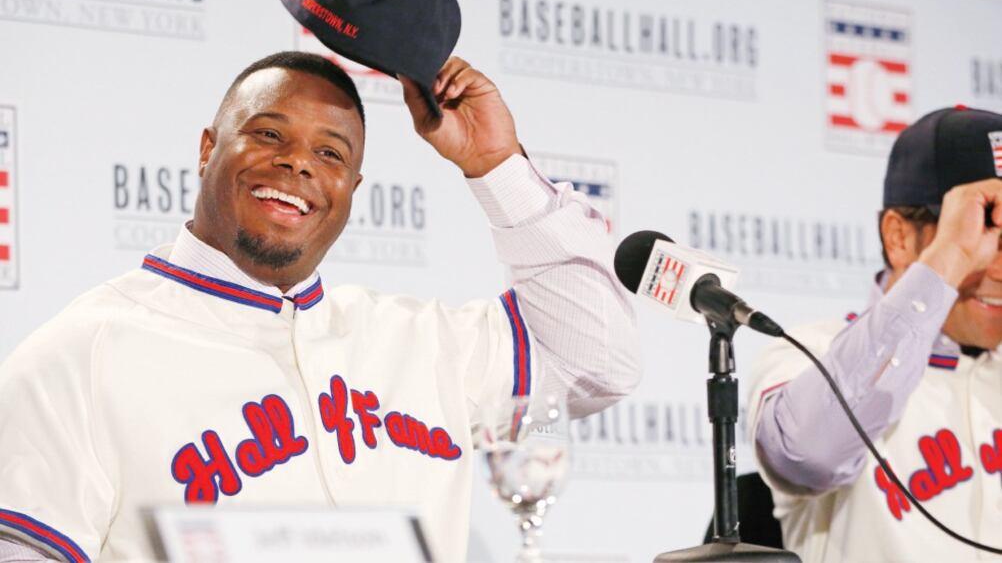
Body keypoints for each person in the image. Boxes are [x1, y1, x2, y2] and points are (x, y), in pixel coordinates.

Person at [0, 51, 641, 563]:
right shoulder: (81, 352)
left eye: (330, 153)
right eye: (268, 133)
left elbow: (598, 360)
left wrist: (496, 165)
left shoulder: (424, 341)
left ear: (352, 188)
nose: (297, 163)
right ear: (206, 150)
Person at [748, 106, 1002, 562]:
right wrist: (950, 258)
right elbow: (806, 456)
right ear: (898, 237)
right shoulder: (810, 352)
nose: (999, 268)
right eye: (982, 233)